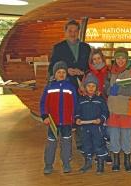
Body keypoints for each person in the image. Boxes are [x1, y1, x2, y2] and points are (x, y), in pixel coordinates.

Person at [48, 19, 91, 153]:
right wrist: (67, 71)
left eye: (75, 31)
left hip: (82, 86)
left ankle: (80, 143)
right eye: (70, 31)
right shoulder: (58, 47)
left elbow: (90, 67)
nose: (73, 33)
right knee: (66, 114)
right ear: (65, 32)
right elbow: (52, 69)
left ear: (79, 32)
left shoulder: (86, 47)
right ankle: (65, 144)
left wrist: (83, 72)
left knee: (81, 113)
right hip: (65, 87)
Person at [105, 47, 131, 172]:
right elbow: (106, 89)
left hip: (127, 109)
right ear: (115, 59)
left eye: (123, 58)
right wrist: (110, 90)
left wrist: (119, 90)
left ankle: (127, 161)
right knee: (114, 136)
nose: (120, 60)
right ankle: (116, 161)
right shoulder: (110, 72)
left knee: (126, 136)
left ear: (127, 59)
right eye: (118, 58)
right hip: (113, 109)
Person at [40, 61, 77, 174]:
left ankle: (66, 163)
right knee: (51, 143)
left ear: (66, 74)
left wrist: (74, 119)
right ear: (54, 74)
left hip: (67, 121)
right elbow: (43, 103)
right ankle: (48, 164)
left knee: (66, 143)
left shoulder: (71, 87)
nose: (61, 74)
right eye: (59, 72)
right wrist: (45, 115)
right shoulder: (49, 87)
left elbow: (75, 104)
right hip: (52, 121)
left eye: (63, 72)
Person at [75, 73, 109, 174]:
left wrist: (101, 119)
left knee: (99, 145)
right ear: (85, 87)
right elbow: (77, 112)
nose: (90, 88)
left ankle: (100, 164)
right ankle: (88, 163)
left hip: (97, 128)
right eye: (88, 86)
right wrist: (77, 119)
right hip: (84, 128)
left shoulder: (100, 100)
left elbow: (106, 112)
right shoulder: (81, 100)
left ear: (96, 88)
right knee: (86, 145)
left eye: (93, 86)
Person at [88, 48, 112, 164]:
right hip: (95, 106)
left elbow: (113, 88)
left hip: (108, 104)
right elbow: (84, 89)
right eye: (94, 59)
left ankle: (107, 153)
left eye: (98, 58)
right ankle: (99, 152)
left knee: (107, 130)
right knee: (98, 130)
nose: (97, 61)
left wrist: (104, 91)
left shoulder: (109, 72)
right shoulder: (89, 74)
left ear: (102, 58)